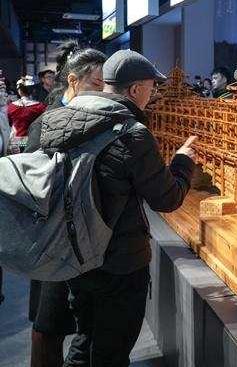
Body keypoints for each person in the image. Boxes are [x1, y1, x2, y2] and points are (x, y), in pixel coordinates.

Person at [37, 49, 196, 366]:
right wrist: (182, 163)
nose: (153, 95)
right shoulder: (132, 134)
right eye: (151, 88)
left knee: (85, 339)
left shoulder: (59, 119)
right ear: (135, 89)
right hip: (119, 263)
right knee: (111, 352)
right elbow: (167, 198)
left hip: (72, 255)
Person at [25, 41, 108, 367]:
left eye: (105, 86)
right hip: (53, 241)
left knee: (85, 325)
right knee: (49, 326)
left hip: (85, 240)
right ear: (73, 80)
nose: (102, 92)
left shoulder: (96, 118)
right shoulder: (47, 122)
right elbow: (33, 183)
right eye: (96, 84)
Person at [7, 76, 46, 152]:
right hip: (34, 141)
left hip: (16, 142)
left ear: (19, 91)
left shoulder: (11, 106)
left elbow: (9, 123)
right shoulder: (41, 106)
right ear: (32, 90)